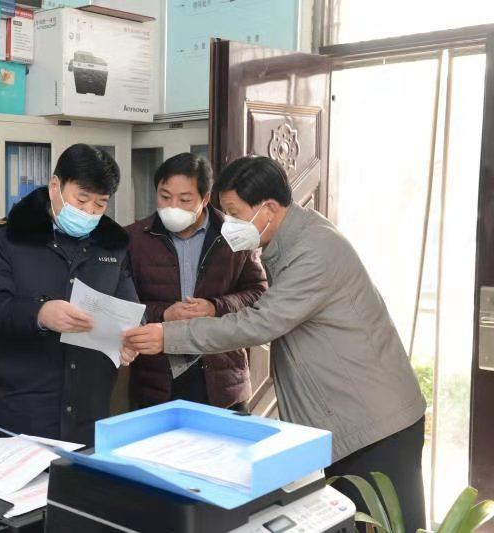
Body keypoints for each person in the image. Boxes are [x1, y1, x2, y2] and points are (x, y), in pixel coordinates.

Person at [123, 156, 427, 531]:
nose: (228, 224)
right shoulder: (290, 240)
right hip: (353, 419)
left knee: (390, 526)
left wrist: (168, 335)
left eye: (235, 214)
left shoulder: (314, 251)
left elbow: (260, 321)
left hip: (376, 424)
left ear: (267, 208)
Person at [0, 143, 139, 446]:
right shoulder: (8, 236)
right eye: (81, 199)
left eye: (100, 204)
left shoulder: (112, 244)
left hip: (89, 406)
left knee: (78, 477)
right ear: (54, 186)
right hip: (22, 405)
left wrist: (129, 340)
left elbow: (128, 308)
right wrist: (40, 313)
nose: (88, 212)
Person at [125, 153, 267, 410]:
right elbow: (122, 304)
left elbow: (259, 293)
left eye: (184, 200)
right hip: (156, 379)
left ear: (205, 198)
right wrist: (164, 313)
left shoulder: (235, 234)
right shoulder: (134, 238)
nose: (172, 207)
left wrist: (215, 306)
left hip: (222, 376)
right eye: (164, 196)